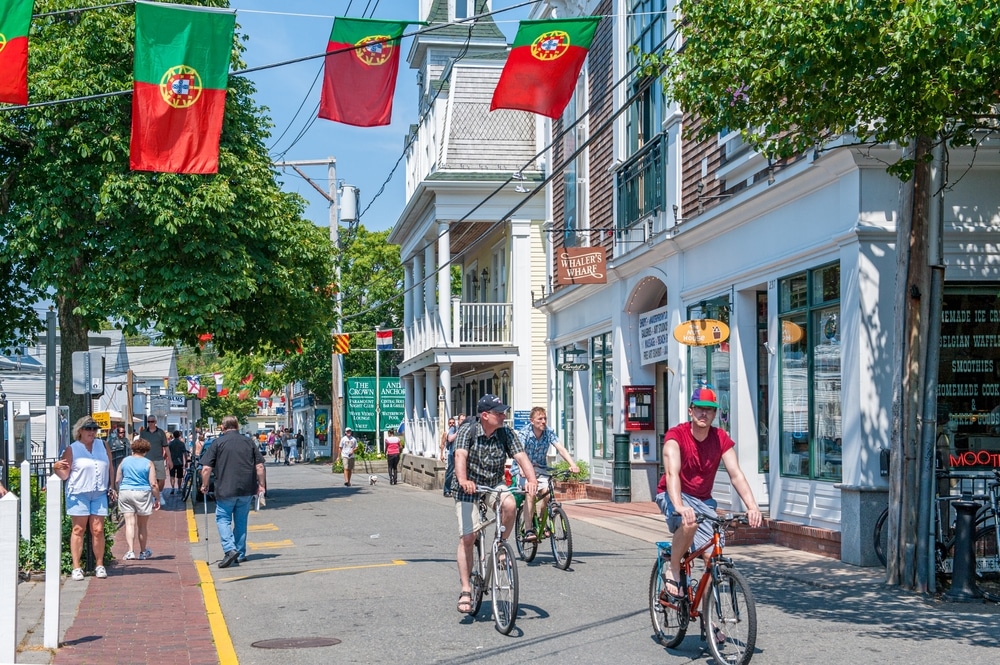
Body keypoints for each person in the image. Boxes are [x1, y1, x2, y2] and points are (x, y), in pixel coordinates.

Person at [656, 385, 763, 602]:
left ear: (715, 414)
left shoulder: (720, 438)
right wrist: (679, 506)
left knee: (711, 558)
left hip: (704, 501)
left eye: (709, 409)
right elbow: (672, 473)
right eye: (699, 408)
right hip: (674, 494)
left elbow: (736, 475)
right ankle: (674, 568)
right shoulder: (676, 436)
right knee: (689, 522)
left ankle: (707, 615)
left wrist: (752, 506)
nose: (703, 413)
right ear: (690, 410)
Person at [453, 394, 538, 613]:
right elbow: (460, 456)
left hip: (493, 483)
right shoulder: (468, 430)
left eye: (503, 412)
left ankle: (500, 546)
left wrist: (532, 480)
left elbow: (521, 457)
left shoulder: (505, 433)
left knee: (510, 505)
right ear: (485, 415)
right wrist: (463, 480)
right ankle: (466, 589)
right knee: (468, 537)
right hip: (468, 486)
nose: (503, 416)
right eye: (499, 413)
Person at [53, 416, 116, 581]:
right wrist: (56, 468)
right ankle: (76, 566)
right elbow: (64, 474)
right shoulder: (72, 449)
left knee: (98, 529)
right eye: (88, 428)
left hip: (99, 492)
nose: (92, 432)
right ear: (80, 430)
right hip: (79, 492)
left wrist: (111, 486)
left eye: (94, 429)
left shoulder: (103, 445)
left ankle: (99, 564)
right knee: (78, 529)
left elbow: (110, 467)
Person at [200, 416, 266, 568]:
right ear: (237, 426)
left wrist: (205, 484)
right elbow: (260, 466)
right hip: (246, 489)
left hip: (225, 488)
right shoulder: (249, 442)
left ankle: (229, 549)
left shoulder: (218, 443)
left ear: (223, 427)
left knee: (223, 519)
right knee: (241, 521)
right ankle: (240, 553)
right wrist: (261, 485)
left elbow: (206, 468)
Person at [512, 407, 579, 542]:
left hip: (540, 469)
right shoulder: (524, 433)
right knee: (530, 492)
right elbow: (519, 453)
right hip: (523, 469)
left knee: (548, 493)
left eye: (545, 418)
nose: (543, 421)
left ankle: (542, 521)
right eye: (540, 419)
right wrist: (521, 469)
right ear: (532, 421)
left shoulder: (548, 432)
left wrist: (573, 464)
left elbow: (561, 449)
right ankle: (529, 529)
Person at [115, 437, 161, 560]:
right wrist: (157, 498)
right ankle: (143, 552)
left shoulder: (124, 461)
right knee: (142, 525)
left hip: (125, 491)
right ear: (146, 450)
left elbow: (117, 480)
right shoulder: (148, 463)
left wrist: (120, 490)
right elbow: (153, 484)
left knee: (129, 523)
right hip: (142, 493)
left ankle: (130, 551)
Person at [140, 415, 168, 494]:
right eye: (148, 422)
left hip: (158, 459)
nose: (150, 423)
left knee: (161, 478)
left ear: (155, 422)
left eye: (152, 421)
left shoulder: (160, 432)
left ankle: (159, 493)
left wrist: (170, 460)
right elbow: (140, 446)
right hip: (146, 460)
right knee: (147, 478)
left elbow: (166, 446)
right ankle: (151, 494)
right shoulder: (143, 433)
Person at [167, 430, 188, 495]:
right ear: (179, 435)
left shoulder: (170, 443)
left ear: (173, 435)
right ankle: (179, 488)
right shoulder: (181, 443)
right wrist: (186, 461)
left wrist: (168, 461)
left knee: (172, 475)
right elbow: (185, 453)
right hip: (179, 462)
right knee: (179, 476)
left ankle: (173, 488)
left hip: (172, 461)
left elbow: (168, 453)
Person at [440, 417, 457, 497]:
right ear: (448, 424)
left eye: (453, 423)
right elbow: (442, 444)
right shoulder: (446, 432)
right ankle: (446, 490)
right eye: (450, 423)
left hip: (455, 453)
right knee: (449, 472)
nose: (452, 424)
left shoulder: (456, 430)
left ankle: (453, 489)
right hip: (448, 453)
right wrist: (441, 454)